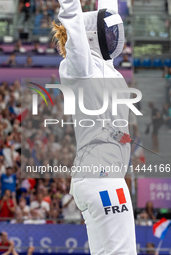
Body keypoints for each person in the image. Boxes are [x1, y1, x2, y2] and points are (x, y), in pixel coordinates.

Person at [52, 0, 137, 254]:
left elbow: (108, 9)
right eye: (108, 33)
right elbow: (72, 20)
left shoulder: (105, 69)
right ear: (89, 37)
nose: (113, 38)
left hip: (98, 178)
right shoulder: (80, 67)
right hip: (103, 178)